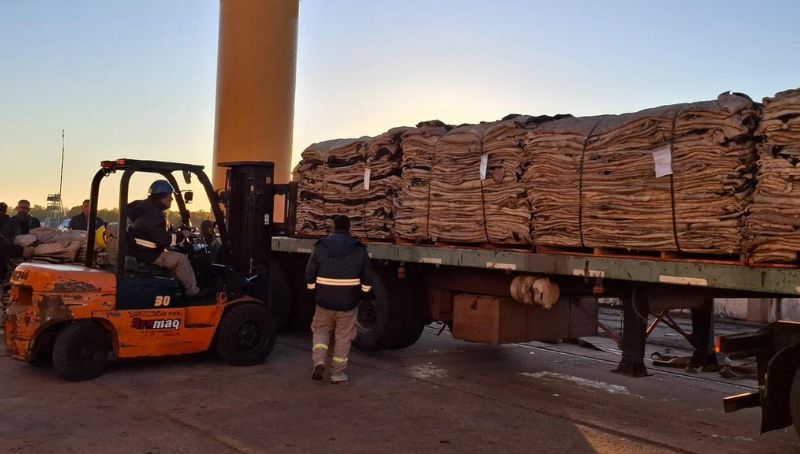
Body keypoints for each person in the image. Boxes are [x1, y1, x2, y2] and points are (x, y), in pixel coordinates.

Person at [305, 215, 372, 384]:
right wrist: (363, 293)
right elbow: (367, 275)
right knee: (343, 337)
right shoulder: (359, 249)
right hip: (348, 302)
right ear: (349, 228)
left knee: (320, 331)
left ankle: (319, 361)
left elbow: (310, 271)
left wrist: (312, 288)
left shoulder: (320, 246)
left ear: (333, 227)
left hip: (324, 301)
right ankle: (337, 373)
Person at [128, 180, 201, 298]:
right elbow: (165, 240)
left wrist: (176, 227)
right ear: (162, 197)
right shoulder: (153, 214)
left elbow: (155, 231)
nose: (172, 199)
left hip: (142, 251)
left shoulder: (146, 208)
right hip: (149, 254)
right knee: (181, 259)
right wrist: (182, 235)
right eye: (170, 196)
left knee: (175, 253)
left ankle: (178, 289)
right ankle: (192, 293)